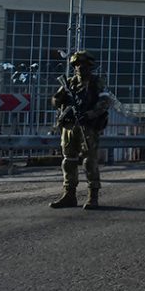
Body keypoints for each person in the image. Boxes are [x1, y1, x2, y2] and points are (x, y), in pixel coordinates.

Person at [49, 50, 111, 210]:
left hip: (88, 126)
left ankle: (93, 196)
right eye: (76, 65)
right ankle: (69, 195)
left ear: (89, 66)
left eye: (82, 65)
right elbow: (55, 101)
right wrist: (59, 99)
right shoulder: (68, 83)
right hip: (70, 126)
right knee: (68, 161)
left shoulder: (96, 82)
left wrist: (90, 114)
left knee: (89, 161)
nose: (79, 68)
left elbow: (105, 101)